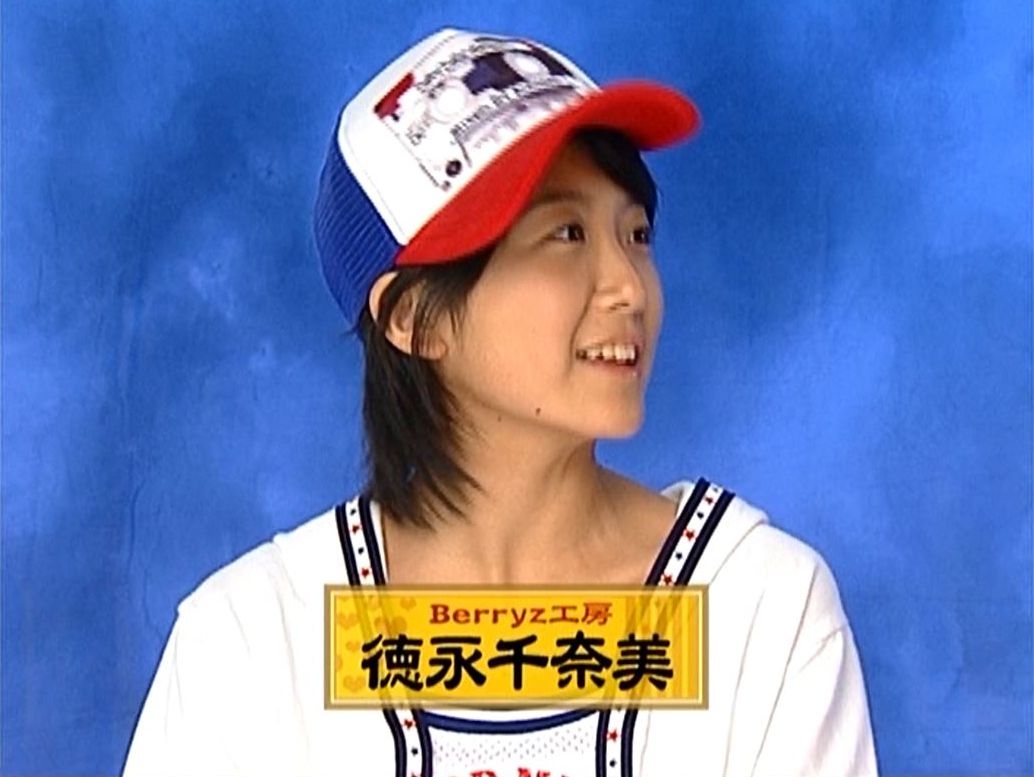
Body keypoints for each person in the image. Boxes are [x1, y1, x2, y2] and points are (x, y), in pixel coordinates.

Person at [123, 27, 878, 777]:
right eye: (566, 233)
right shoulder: (252, 646)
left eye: (636, 233)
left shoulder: (758, 609)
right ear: (413, 318)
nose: (628, 287)